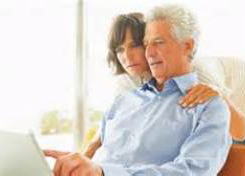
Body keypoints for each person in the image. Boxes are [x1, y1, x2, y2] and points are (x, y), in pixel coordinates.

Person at [45, 4, 232, 176]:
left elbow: (192, 171)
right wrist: (77, 165)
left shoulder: (209, 107)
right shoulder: (123, 100)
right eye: (146, 44)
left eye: (158, 42)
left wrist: (103, 173)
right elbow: (96, 150)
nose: (149, 53)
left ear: (187, 45)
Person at [83, 12, 245, 158]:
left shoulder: (192, 70)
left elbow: (239, 130)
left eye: (134, 46)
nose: (127, 57)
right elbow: (114, 121)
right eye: (119, 49)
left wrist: (218, 95)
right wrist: (90, 149)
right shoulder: (130, 79)